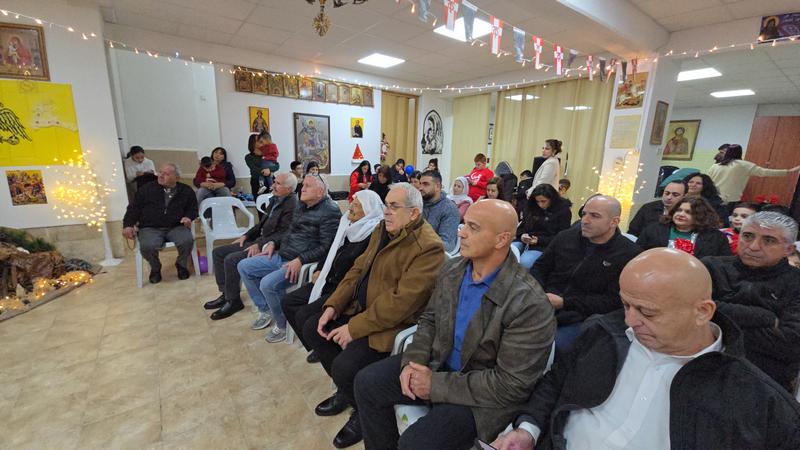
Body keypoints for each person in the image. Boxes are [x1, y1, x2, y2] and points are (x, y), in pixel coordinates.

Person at [493, 248, 800, 450]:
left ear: (702, 312)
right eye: (626, 304)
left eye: (647, 312)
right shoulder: (604, 333)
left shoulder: (758, 401)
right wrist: (528, 429)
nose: (630, 320)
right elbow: (556, 381)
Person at [355, 200, 556, 450]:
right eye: (464, 224)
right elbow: (429, 320)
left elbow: (510, 385)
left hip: (480, 397)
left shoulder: (529, 302)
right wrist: (413, 361)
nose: (461, 233)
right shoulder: (453, 269)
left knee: (416, 444)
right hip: (438, 363)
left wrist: (435, 385)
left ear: (501, 239)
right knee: (367, 382)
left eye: (473, 227)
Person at [307, 183, 444, 448]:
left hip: (392, 324)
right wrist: (334, 304)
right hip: (363, 309)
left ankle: (361, 411)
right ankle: (348, 393)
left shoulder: (429, 248)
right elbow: (358, 270)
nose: (386, 211)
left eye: (394, 206)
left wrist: (353, 328)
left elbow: (399, 304)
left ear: (414, 213)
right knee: (315, 326)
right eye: (385, 205)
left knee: (346, 367)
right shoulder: (383, 229)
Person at [703, 211, 800, 393]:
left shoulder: (795, 282)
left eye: (769, 240)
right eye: (748, 236)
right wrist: (763, 317)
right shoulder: (711, 267)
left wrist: (715, 320)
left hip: (765, 381)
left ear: (789, 249)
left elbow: (790, 344)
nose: (754, 247)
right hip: (701, 367)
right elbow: (688, 311)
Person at [282, 190, 383, 364]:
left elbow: (359, 271)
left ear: (369, 211)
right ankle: (316, 346)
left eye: (356, 205)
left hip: (343, 288)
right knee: (288, 302)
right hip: (327, 279)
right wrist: (320, 269)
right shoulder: (347, 226)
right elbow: (331, 249)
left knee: (305, 317)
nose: (350, 208)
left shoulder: (372, 234)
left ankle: (322, 346)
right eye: (352, 203)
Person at [236, 175, 341, 342]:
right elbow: (289, 232)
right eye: (303, 185)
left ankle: (283, 325)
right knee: (244, 266)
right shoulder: (301, 205)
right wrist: (273, 242)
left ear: (320, 192)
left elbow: (327, 247)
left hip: (301, 263)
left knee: (267, 284)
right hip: (283, 254)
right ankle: (266, 309)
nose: (302, 189)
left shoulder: (330, 211)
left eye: (308, 186)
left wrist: (300, 259)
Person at [531, 196, 642, 352]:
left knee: (551, 347)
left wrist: (565, 302)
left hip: (583, 317)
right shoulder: (565, 238)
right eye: (584, 214)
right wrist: (538, 292)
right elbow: (539, 268)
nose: (585, 220)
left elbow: (614, 301)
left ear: (614, 222)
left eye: (595, 216)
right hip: (541, 304)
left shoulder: (628, 254)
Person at [204, 173, 298, 320]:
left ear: (289, 189)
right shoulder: (276, 199)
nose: (273, 185)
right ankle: (226, 294)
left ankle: (233, 301)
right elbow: (261, 225)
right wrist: (246, 236)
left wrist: (259, 244)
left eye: (278, 184)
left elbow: (284, 233)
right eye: (274, 182)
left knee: (231, 259)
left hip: (270, 245)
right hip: (260, 240)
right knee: (218, 252)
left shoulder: (292, 204)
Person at [122, 163, 197, 284]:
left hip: (176, 226)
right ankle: (155, 267)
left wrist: (188, 217)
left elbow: (193, 208)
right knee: (147, 246)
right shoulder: (146, 189)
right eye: (160, 172)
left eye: (166, 174)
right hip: (150, 227)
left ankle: (181, 264)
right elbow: (133, 208)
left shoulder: (186, 190)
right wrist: (128, 225)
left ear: (176, 177)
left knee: (187, 241)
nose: (161, 175)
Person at [637, 197, 732, 259]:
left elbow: (721, 263)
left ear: (700, 216)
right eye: (679, 210)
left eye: (688, 212)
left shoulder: (716, 237)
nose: (681, 214)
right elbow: (638, 254)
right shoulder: (654, 230)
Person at [707, 144, 800, 204]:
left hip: (711, 198)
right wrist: (788, 171)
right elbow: (764, 172)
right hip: (729, 199)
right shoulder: (744, 165)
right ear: (740, 153)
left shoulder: (715, 166)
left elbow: (707, 181)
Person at [513, 184, 572, 269]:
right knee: (507, 255)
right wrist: (522, 235)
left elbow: (562, 237)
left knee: (524, 264)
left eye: (543, 201)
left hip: (545, 245)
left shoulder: (563, 211)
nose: (540, 205)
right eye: (537, 201)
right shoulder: (532, 206)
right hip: (525, 240)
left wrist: (539, 240)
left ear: (552, 199)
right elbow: (521, 227)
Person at [418, 170, 460, 253]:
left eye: (425, 184)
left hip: (431, 254)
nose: (420, 188)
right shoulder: (418, 203)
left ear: (437, 186)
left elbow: (447, 246)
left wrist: (420, 242)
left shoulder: (449, 209)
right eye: (420, 184)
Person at [244, 134, 269, 202]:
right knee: (260, 203)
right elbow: (254, 169)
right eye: (258, 140)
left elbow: (276, 165)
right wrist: (265, 171)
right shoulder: (248, 157)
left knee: (272, 203)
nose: (261, 142)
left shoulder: (267, 154)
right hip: (256, 181)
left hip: (269, 180)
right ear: (253, 143)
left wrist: (270, 170)